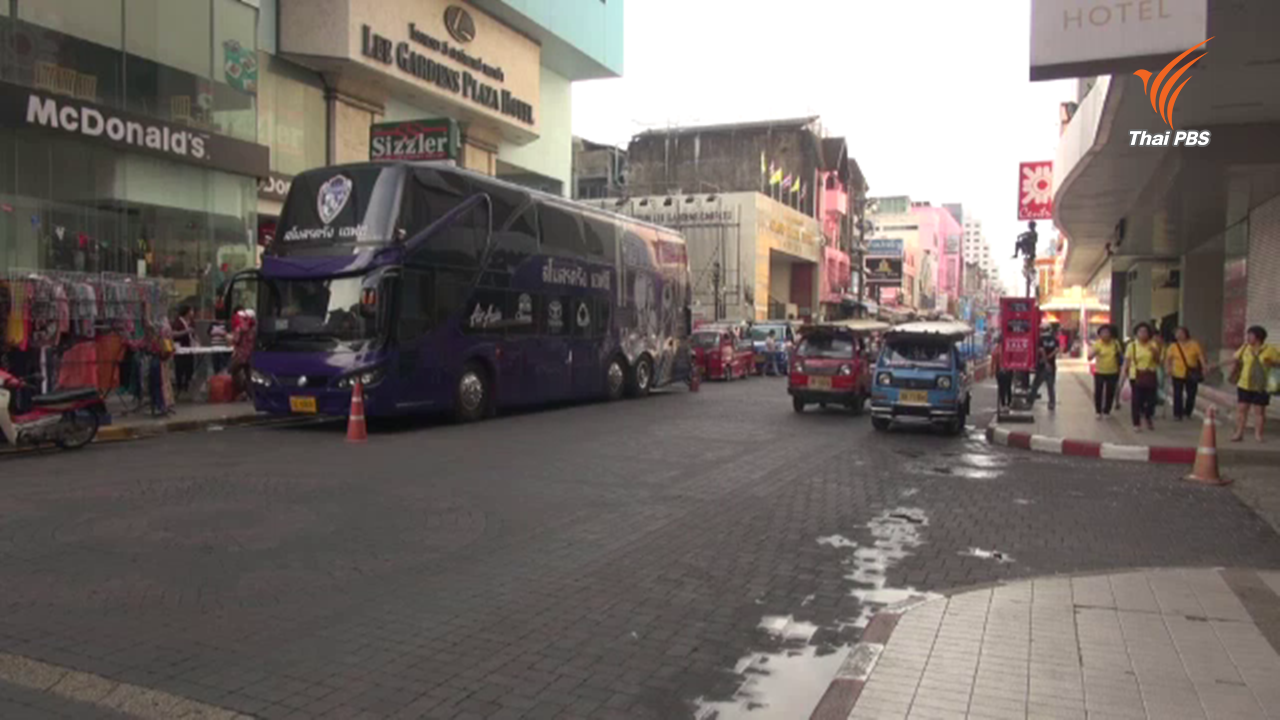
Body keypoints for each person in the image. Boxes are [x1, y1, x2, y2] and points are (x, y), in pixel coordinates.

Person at [1230, 325, 1279, 443]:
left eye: (1250, 335)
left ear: (1258, 337)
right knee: (1242, 410)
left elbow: (1278, 364)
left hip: (1261, 385)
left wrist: (1272, 363)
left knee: (1259, 411)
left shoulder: (1270, 350)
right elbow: (1235, 359)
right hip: (1244, 384)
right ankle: (1239, 433)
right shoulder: (1245, 348)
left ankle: (1258, 434)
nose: (1248, 337)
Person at [1120, 322, 1161, 432]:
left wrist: (1155, 353)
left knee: (1151, 400)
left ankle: (1148, 416)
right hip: (1135, 375)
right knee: (1136, 400)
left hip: (1150, 375)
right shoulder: (1131, 346)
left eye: (1145, 332)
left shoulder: (1153, 345)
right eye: (1140, 332)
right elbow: (1127, 361)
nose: (1143, 334)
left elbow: (1158, 361)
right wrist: (1123, 374)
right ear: (1136, 333)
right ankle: (1136, 423)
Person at [1165, 326, 1205, 421]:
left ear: (1186, 334)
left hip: (1191, 373)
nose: (1179, 335)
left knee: (1191, 394)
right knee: (1177, 394)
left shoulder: (1194, 344)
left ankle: (1187, 412)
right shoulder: (1173, 346)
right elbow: (1168, 359)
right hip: (1177, 373)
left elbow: (1200, 356)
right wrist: (1168, 368)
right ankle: (1177, 414)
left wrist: (1204, 366)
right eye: (1177, 333)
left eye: (1181, 333)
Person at [1089, 325, 1122, 419]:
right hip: (1100, 371)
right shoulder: (1097, 344)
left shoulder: (1115, 343)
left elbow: (1120, 356)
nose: (1105, 334)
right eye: (1102, 333)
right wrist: (1094, 353)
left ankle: (1107, 410)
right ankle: (1098, 411)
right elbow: (1089, 357)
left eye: (1107, 332)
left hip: (1113, 371)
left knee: (1110, 392)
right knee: (1098, 391)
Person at [228, 308, 256, 399]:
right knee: (249, 375)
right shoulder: (254, 329)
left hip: (240, 355)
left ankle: (242, 390)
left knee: (232, 370)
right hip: (250, 355)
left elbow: (235, 340)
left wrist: (228, 337)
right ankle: (250, 393)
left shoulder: (240, 328)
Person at [1032, 323, 1060, 410]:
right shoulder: (1055, 339)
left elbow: (1041, 350)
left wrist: (1045, 361)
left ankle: (1029, 402)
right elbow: (1057, 350)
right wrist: (1050, 358)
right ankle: (1052, 403)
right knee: (1050, 386)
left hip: (1042, 365)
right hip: (1052, 365)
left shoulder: (1041, 340)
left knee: (1035, 385)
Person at [172, 305, 196, 396]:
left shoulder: (192, 322)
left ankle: (187, 386)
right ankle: (179, 388)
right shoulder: (178, 322)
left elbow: (194, 334)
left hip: (190, 348)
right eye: (191, 311)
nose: (192, 313)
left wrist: (197, 341)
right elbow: (173, 333)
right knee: (179, 368)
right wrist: (185, 332)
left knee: (189, 368)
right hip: (180, 348)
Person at [993, 335, 1013, 410]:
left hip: (1000, 371)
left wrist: (992, 371)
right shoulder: (1009, 348)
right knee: (1008, 387)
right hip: (1008, 371)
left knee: (1002, 388)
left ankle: (1003, 403)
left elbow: (994, 361)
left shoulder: (996, 349)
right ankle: (1008, 403)